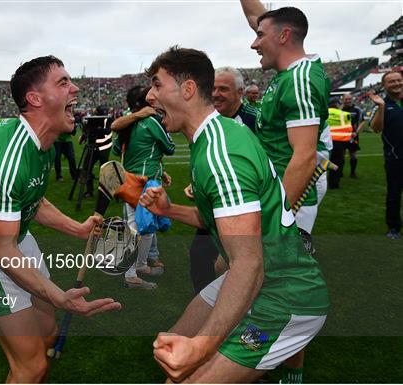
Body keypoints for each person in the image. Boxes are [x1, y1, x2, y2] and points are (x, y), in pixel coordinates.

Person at [140, 46, 329, 384]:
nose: (150, 95)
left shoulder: (219, 151)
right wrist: (168, 210)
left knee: (188, 375)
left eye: (156, 84)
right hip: (263, 278)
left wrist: (203, 345)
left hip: (284, 295)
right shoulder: (214, 138)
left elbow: (247, 262)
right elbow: (222, 222)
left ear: (187, 89)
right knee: (168, 356)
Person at [0, 56, 121, 383]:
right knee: (31, 367)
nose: (76, 87)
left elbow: (33, 197)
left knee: (48, 333)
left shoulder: (42, 141)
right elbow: (3, 251)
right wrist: (58, 295)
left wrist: (76, 227)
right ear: (35, 99)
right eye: (63, 82)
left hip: (13, 239)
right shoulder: (5, 160)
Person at [239, 2, 330, 382]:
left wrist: (277, 220)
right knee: (249, 276)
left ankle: (283, 368)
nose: (253, 43)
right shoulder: (288, 72)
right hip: (279, 195)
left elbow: (305, 157)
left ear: (284, 36)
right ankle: (256, 351)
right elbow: (257, 17)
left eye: (261, 36)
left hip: (291, 202)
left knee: (280, 288)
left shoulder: (301, 79)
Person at [188, 66, 258, 295]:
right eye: (213, 88)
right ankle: (205, 302)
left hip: (245, 207)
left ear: (239, 92)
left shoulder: (255, 121)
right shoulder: (208, 120)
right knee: (199, 255)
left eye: (223, 89)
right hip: (213, 204)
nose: (216, 93)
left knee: (239, 263)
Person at [111, 85, 175, 289]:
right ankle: (131, 275)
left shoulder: (129, 124)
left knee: (141, 227)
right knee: (138, 228)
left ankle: (140, 266)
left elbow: (115, 149)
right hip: (145, 183)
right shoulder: (151, 121)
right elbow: (170, 147)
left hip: (129, 181)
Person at [368, 71, 403, 239]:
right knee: (394, 194)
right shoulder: (383, 104)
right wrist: (381, 107)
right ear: (384, 86)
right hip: (395, 158)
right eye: (391, 81)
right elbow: (376, 128)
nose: (396, 83)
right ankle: (394, 228)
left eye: (398, 80)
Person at [80, 105, 113, 198]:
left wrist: (98, 129)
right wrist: (85, 133)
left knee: (104, 169)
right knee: (86, 168)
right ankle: (89, 190)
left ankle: (104, 190)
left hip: (104, 148)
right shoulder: (92, 119)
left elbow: (107, 131)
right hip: (93, 148)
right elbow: (86, 130)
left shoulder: (108, 119)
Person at [327, 98, 353, 189]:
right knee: (337, 164)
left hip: (325, 141)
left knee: (321, 163)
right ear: (337, 104)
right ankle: (334, 184)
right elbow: (349, 129)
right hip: (340, 142)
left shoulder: (323, 113)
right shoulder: (345, 114)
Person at [341, 93, 365, 179]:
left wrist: (356, 132)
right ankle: (340, 172)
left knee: (353, 155)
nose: (348, 101)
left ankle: (353, 173)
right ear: (342, 99)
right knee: (341, 155)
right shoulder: (340, 110)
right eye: (346, 99)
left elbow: (362, 121)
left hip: (353, 136)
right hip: (341, 136)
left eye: (349, 99)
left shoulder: (357, 109)